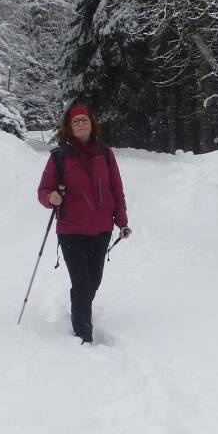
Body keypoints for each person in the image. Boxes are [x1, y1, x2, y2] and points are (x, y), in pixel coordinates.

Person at [37, 104, 130, 344]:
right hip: (71, 229)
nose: (80, 124)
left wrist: (122, 221)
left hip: (101, 229)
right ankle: (82, 333)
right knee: (81, 283)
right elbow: (43, 190)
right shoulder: (59, 156)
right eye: (75, 121)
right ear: (69, 126)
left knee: (93, 281)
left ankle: (80, 311)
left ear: (91, 123)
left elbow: (116, 189)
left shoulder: (105, 153)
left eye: (84, 120)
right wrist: (51, 198)